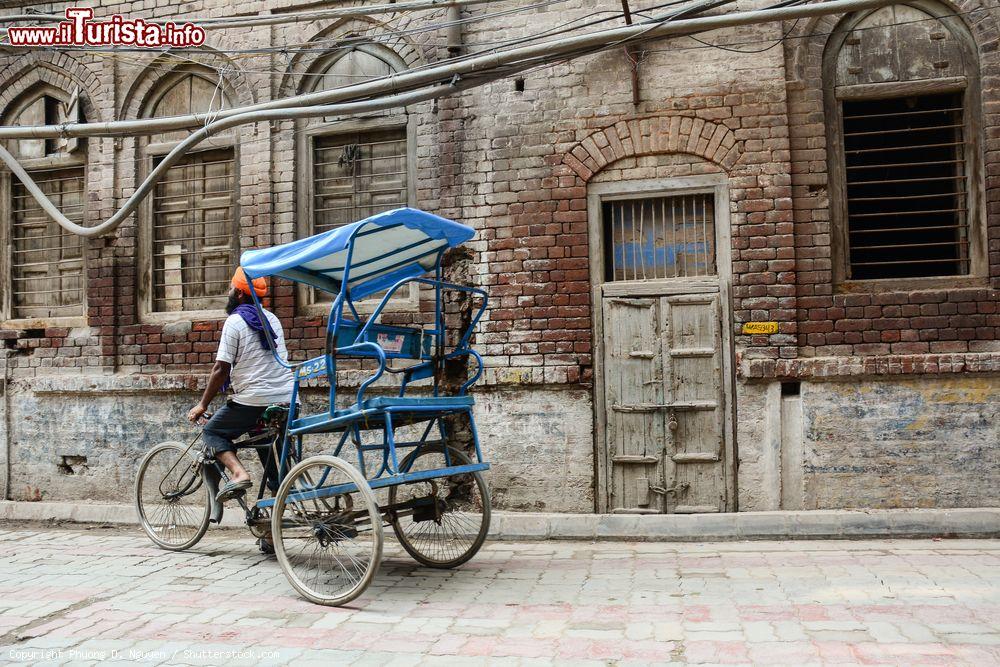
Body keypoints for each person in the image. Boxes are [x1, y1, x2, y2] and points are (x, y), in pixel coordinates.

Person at [187, 268, 294, 504]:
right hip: (288, 397)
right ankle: (274, 517)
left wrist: (202, 405)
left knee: (212, 432)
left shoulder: (235, 322)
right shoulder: (272, 319)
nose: (228, 292)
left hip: (255, 400)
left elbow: (221, 369)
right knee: (261, 438)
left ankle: (238, 473)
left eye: (231, 288)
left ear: (239, 294)